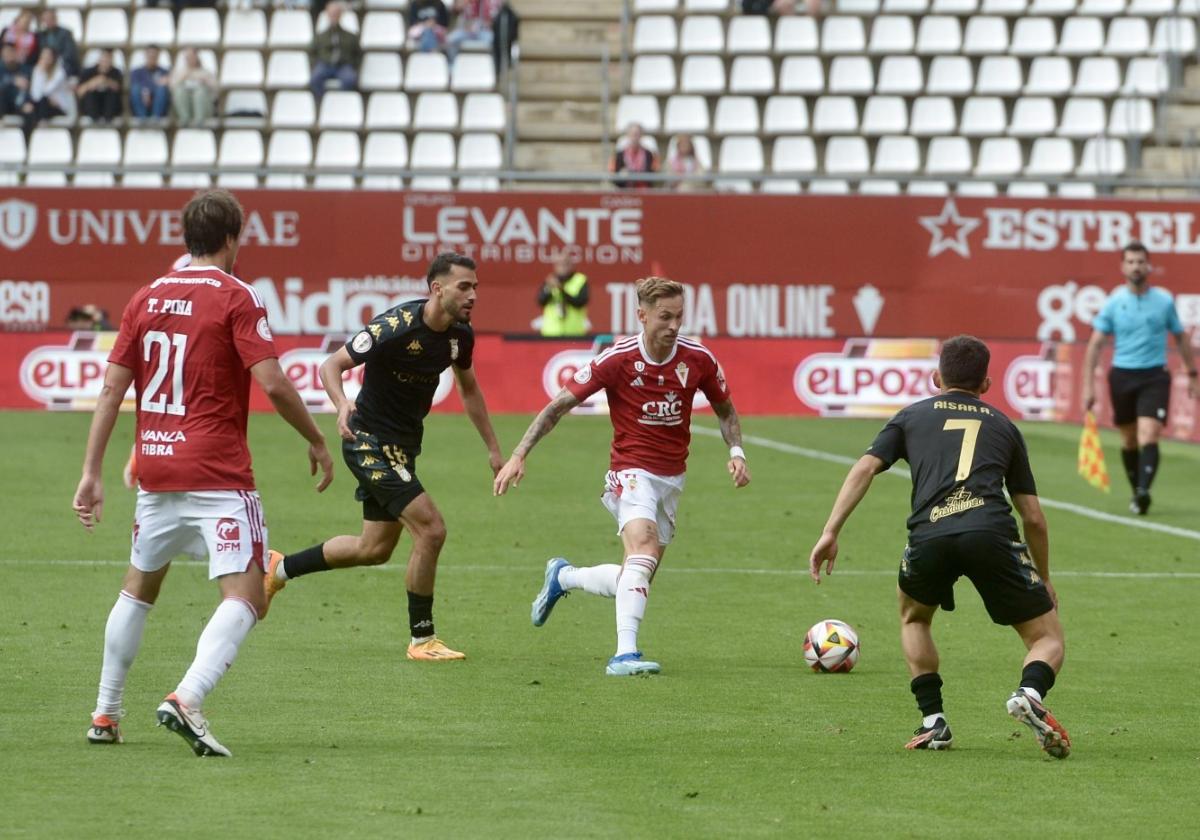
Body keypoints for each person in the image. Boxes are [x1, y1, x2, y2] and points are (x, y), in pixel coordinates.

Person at [73, 189, 335, 757]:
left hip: (156, 467)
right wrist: (315, 437)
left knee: (140, 585)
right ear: (233, 238)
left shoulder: (145, 297)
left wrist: (91, 472)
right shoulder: (237, 295)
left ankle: (105, 711)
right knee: (248, 593)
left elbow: (112, 389)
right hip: (217, 472)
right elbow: (271, 381)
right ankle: (188, 697)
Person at [807, 335, 1070, 758]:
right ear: (986, 383)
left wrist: (831, 530)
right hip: (991, 534)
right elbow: (1033, 517)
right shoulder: (1004, 426)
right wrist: (1044, 576)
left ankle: (934, 721)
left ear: (935, 377)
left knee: (914, 618)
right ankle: (1030, 692)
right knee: (1047, 638)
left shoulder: (911, 417)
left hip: (929, 535)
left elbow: (865, 468)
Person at [494, 276, 751, 676]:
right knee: (644, 550)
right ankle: (624, 655)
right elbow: (558, 406)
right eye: (665, 317)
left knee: (637, 573)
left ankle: (565, 576)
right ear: (642, 315)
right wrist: (518, 454)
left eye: (679, 316)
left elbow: (725, 409)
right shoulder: (618, 358)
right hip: (629, 471)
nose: (673, 325)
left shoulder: (698, 359)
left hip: (672, 478)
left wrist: (736, 452)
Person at [264, 253, 503, 662]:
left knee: (373, 548)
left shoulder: (460, 335)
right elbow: (331, 366)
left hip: (403, 446)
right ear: (437, 289)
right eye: (464, 286)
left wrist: (494, 448)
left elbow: (469, 390)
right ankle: (422, 639)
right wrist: (340, 404)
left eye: (476, 287)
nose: (473, 295)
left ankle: (279, 568)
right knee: (432, 530)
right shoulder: (394, 327)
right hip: (368, 440)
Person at [1082, 241, 1198, 515]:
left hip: (1155, 375)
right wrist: (1088, 387)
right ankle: (1137, 491)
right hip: (1122, 376)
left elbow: (1181, 337)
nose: (1136, 266)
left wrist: (1192, 374)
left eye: (1140, 262)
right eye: (1131, 262)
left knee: (1150, 433)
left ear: (1149, 265)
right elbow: (1095, 345)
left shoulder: (1164, 301)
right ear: (1123, 267)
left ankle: (1144, 491)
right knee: (1129, 440)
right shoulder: (1114, 302)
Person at [310, 1, 361, 100]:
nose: (334, 16)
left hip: (343, 65)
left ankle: (341, 102)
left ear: (340, 15)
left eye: (336, 14)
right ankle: (323, 103)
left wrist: (353, 65)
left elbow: (358, 54)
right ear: (327, 15)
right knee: (315, 79)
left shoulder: (351, 37)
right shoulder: (320, 37)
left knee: (350, 79)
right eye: (331, 14)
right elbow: (313, 53)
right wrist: (316, 64)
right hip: (325, 65)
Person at [22, 47, 75, 137]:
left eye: (48, 56)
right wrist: (39, 72)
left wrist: (41, 73)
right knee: (28, 109)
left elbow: (46, 91)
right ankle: (28, 138)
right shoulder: (37, 70)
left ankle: (41, 128)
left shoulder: (60, 72)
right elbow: (35, 94)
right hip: (43, 105)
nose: (45, 59)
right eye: (43, 57)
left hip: (59, 107)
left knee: (43, 101)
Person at [537, 254, 589, 337]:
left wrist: (561, 290)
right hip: (551, 333)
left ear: (572, 265)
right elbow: (541, 301)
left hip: (574, 333)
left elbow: (580, 302)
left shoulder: (580, 280)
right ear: (555, 266)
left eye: (566, 264)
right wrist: (549, 289)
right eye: (559, 264)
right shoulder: (550, 280)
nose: (563, 267)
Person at [170, 47, 217, 126]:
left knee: (200, 91)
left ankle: (199, 120)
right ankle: (184, 119)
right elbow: (171, 88)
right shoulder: (179, 73)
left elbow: (216, 91)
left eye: (192, 56)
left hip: (204, 108)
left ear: (197, 57)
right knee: (179, 90)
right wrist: (183, 78)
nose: (190, 59)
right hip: (184, 107)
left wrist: (205, 81)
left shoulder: (205, 72)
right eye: (188, 57)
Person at [77, 49, 123, 124]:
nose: (106, 61)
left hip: (109, 108)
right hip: (92, 106)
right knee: (90, 95)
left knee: (112, 95)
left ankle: (108, 120)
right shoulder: (88, 72)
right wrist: (93, 83)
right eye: (104, 58)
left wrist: (106, 81)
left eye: (108, 58)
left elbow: (119, 89)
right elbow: (80, 92)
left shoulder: (116, 72)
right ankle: (94, 119)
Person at [609, 123, 658, 190]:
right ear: (628, 135)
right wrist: (621, 175)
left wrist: (632, 173)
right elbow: (614, 177)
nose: (634, 137)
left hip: (644, 191)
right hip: (625, 193)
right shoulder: (619, 155)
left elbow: (653, 174)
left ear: (641, 136)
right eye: (632, 134)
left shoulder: (648, 154)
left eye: (637, 134)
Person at [129, 45, 171, 119]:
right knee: (135, 89)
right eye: (150, 54)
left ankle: (155, 118)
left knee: (162, 89)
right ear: (145, 55)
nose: (152, 56)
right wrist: (146, 91)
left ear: (158, 56)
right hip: (141, 102)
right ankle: (142, 119)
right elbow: (134, 84)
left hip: (157, 102)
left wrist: (149, 89)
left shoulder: (164, 72)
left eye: (154, 54)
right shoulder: (136, 72)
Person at [37, 10, 80, 78]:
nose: (48, 21)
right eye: (46, 19)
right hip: (46, 64)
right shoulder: (41, 35)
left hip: (62, 64)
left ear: (55, 19)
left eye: (50, 18)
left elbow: (70, 53)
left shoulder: (65, 33)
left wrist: (55, 61)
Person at [0, 43, 30, 117]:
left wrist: (27, 102)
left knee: (30, 111)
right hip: (4, 104)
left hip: (20, 103)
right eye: (5, 52)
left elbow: (29, 88)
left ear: (15, 52)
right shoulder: (1, 69)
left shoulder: (25, 69)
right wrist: (13, 81)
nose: (8, 55)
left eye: (10, 51)